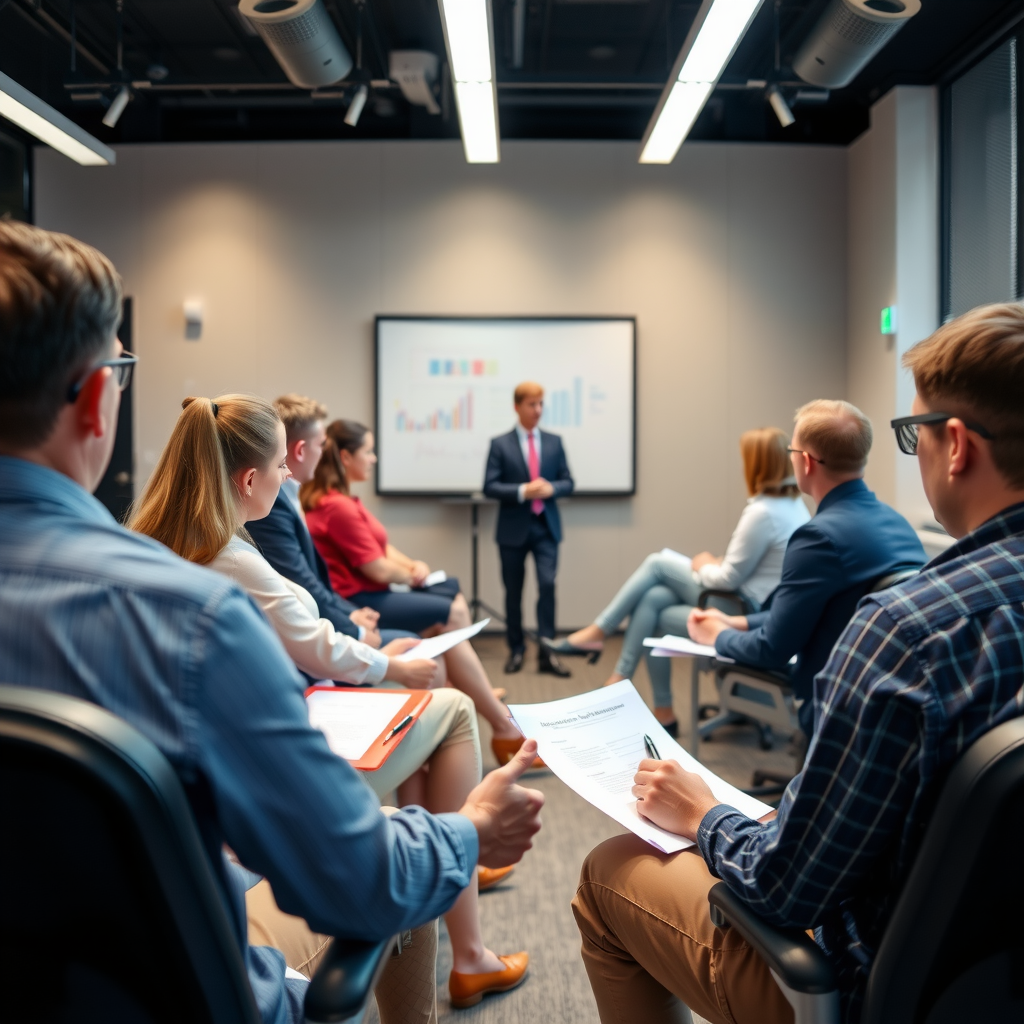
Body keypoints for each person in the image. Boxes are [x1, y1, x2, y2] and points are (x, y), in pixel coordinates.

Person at [0, 220, 545, 1024]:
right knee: (400, 864)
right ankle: (468, 954)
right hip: (175, 990)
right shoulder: (191, 622)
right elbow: (358, 882)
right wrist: (471, 832)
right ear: (92, 400)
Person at [573, 303, 1024, 1024]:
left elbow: (787, 889)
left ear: (959, 445)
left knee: (607, 875)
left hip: (870, 982)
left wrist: (705, 813)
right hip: (995, 976)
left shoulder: (906, 633)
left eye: (918, 434)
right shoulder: (915, 578)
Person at [129, 392, 529, 1008]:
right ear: (249, 478)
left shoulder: (150, 545)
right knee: (448, 712)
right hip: (261, 789)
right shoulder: (233, 560)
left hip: (194, 809)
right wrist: (390, 661)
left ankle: (460, 891)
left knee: (426, 737)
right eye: (281, 467)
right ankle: (468, 937)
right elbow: (314, 642)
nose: (290, 473)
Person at [303, 419, 536, 767]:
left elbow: (382, 549)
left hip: (369, 592)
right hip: (361, 601)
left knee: (449, 599)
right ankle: (495, 716)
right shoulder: (337, 507)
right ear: (346, 457)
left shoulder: (343, 500)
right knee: (451, 612)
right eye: (368, 452)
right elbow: (378, 568)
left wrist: (412, 567)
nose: (374, 458)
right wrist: (412, 577)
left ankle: (476, 695)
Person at [545, 428, 810, 733]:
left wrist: (704, 563)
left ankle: (605, 643)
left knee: (657, 565)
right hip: (756, 603)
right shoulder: (792, 506)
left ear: (757, 464)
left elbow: (726, 579)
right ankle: (651, 704)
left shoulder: (763, 512)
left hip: (739, 610)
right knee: (653, 600)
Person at [688, 400, 925, 737]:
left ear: (806, 462)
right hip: (886, 694)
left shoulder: (818, 538)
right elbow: (812, 612)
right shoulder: (896, 524)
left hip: (833, 707)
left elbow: (772, 649)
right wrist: (737, 621)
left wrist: (718, 636)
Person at [246, 394, 405, 650]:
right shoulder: (273, 506)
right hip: (309, 638)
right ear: (300, 450)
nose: (324, 455)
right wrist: (355, 628)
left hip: (324, 619)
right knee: (416, 643)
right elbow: (301, 581)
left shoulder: (290, 496)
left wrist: (351, 614)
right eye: (321, 446)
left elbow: (313, 583)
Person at [483, 381, 575, 677]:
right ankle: (517, 650)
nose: (537, 410)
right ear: (517, 407)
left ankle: (548, 654)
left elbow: (568, 481)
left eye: (540, 404)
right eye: (531, 405)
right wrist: (523, 490)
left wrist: (552, 488)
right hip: (513, 529)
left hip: (546, 527)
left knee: (548, 587)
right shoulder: (500, 443)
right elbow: (489, 486)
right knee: (513, 592)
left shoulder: (554, 441)